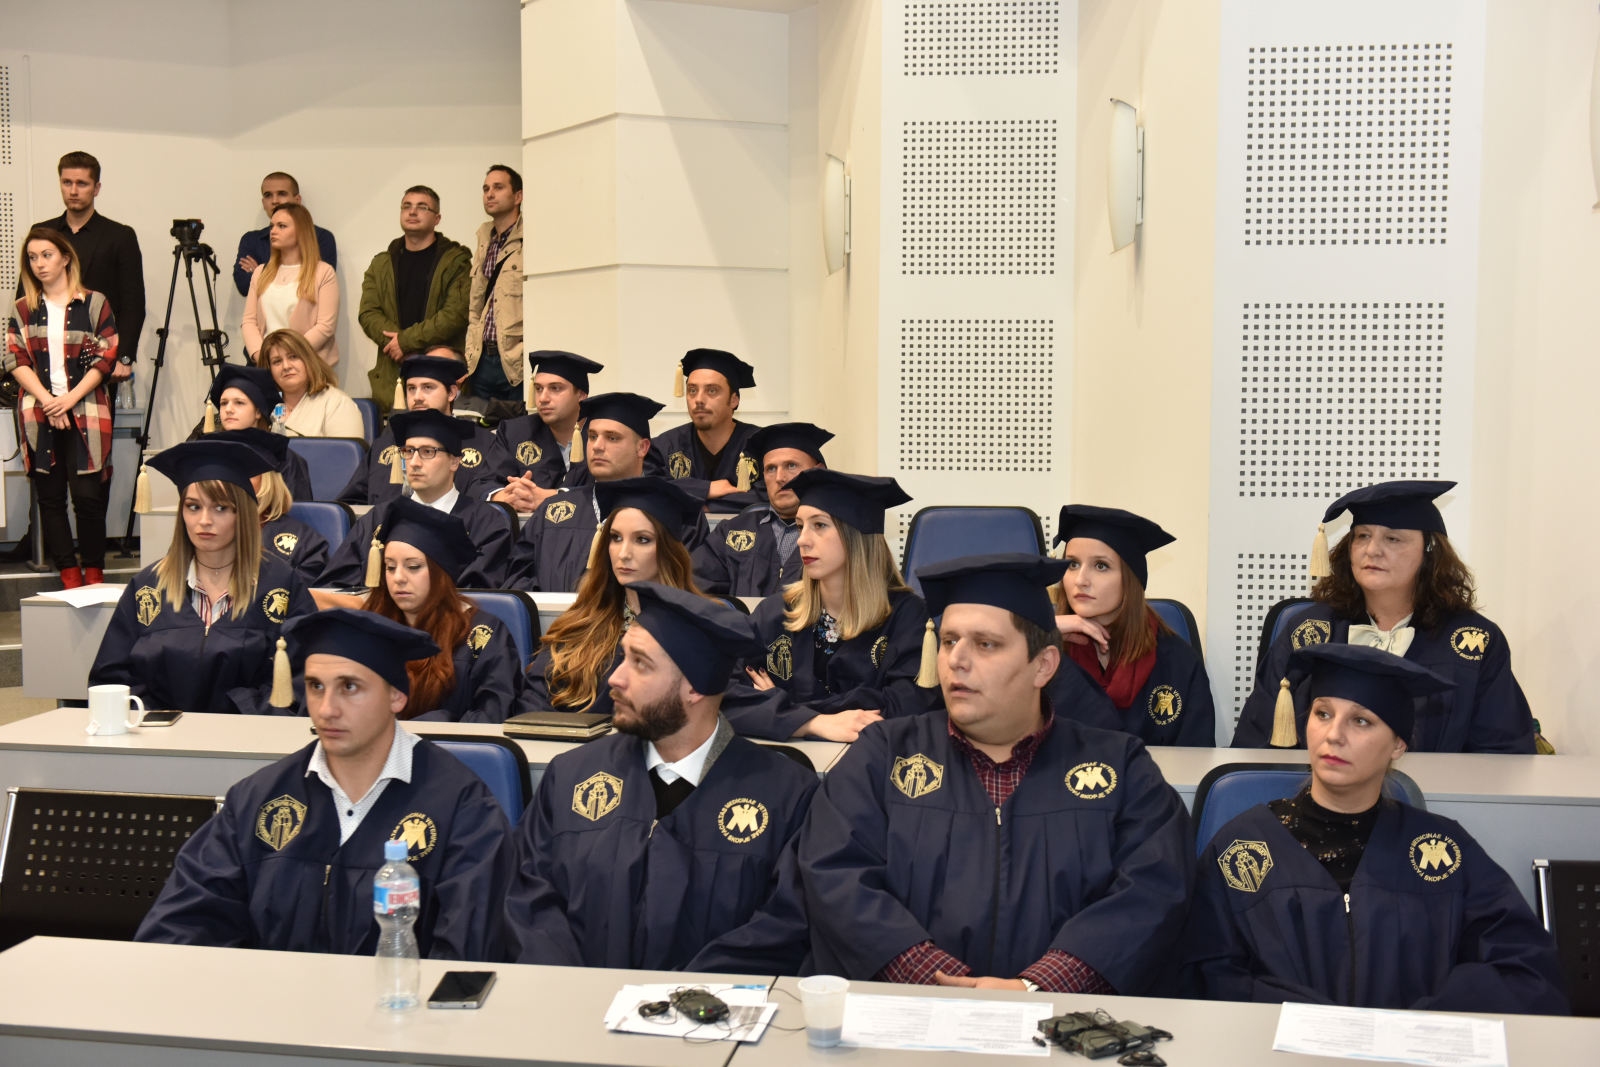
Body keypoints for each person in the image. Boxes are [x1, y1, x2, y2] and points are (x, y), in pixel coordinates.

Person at [798, 553, 1193, 994]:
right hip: (908, 1014)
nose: (956, 660)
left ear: (1044, 665)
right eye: (949, 641)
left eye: (985, 644)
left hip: (1069, 1023)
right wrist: (934, 980)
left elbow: (1152, 890)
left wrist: (1037, 987)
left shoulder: (1120, 768)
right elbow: (836, 873)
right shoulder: (882, 756)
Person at [1170, 643, 1568, 1014]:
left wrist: (1420, 1023)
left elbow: (1525, 970)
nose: (1333, 735)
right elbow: (1198, 974)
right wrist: (1305, 1019)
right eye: (1323, 714)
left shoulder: (1443, 850)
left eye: (1361, 721)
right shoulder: (1241, 847)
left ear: (1398, 745)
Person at [135, 609, 515, 959]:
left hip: (400, 1008)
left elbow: (469, 956)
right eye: (316, 686)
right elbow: (179, 930)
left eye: (349, 687)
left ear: (397, 696)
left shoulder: (460, 807)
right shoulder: (257, 799)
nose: (326, 709)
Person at [504, 582, 818, 971]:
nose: (615, 678)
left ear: (694, 688)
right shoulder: (570, 778)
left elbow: (782, 929)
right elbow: (527, 898)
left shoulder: (786, 797)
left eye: (640, 663)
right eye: (623, 657)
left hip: (711, 1007)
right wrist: (575, 988)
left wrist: (678, 999)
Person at [1233, 481, 1536, 753]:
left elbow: (1501, 757)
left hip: (1432, 794)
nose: (1372, 550)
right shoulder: (1308, 630)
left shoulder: (1473, 640)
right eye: (1363, 536)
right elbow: (1257, 745)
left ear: (1429, 552)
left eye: (1393, 539)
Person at [90, 440, 315, 714]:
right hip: (160, 734)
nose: (204, 520)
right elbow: (113, 678)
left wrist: (242, 717)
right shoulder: (148, 586)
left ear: (242, 514)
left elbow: (304, 678)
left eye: (220, 508)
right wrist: (156, 721)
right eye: (193, 507)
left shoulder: (281, 584)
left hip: (251, 734)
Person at [723, 469, 936, 742]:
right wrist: (812, 722)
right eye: (800, 526)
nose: (802, 539)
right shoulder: (779, 611)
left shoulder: (908, 617)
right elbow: (723, 693)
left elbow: (907, 707)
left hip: (868, 763)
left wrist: (779, 705)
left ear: (856, 536)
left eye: (819, 525)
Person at [311, 500, 525, 723]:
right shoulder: (369, 629)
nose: (398, 578)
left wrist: (434, 724)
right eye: (390, 567)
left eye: (413, 567)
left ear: (441, 574)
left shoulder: (483, 632)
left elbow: (492, 715)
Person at [524, 478, 707, 718]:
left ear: (668, 550)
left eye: (642, 539)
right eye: (615, 538)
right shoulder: (580, 625)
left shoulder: (702, 630)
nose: (623, 553)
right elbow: (534, 705)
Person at [507, 392, 710, 592]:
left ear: (642, 448)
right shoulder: (552, 511)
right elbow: (518, 579)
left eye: (612, 438)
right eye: (592, 437)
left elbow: (689, 589)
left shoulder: (675, 514)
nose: (597, 446)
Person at [6, 228, 118, 587]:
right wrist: (48, 401)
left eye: (47, 255)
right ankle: (68, 574)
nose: (39, 264)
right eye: (32, 257)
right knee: (50, 499)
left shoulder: (95, 303)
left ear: (66, 258)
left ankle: (94, 573)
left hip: (86, 410)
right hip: (39, 412)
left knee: (88, 498)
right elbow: (16, 359)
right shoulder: (23, 308)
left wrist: (68, 400)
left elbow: (106, 357)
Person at [1051, 505, 1215, 746]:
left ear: (1130, 578)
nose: (1080, 580)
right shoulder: (1043, 652)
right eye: (1073, 564)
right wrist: (1037, 638)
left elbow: (1197, 758)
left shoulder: (1177, 662)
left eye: (1101, 566)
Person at [319, 409, 512, 590]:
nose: (414, 463)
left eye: (428, 452)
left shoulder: (487, 522)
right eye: (409, 451)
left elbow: (480, 595)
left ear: (454, 461)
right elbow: (333, 587)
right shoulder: (377, 519)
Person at [334, 349, 522, 508]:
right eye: (411, 388)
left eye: (428, 387)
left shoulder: (485, 444)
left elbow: (498, 499)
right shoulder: (383, 446)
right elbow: (352, 504)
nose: (417, 397)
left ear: (451, 393)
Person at [29, 152, 143, 393]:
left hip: (99, 357)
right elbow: (28, 295)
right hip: (45, 355)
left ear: (96, 188)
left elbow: (133, 303)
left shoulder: (120, 236)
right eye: (67, 182)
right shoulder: (42, 232)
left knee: (95, 420)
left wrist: (124, 357)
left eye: (82, 184)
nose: (73, 191)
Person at [358, 186, 471, 417]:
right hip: (393, 377)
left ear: (437, 218)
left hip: (441, 375)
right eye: (407, 206)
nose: (412, 211)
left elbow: (455, 315)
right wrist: (398, 347)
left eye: (422, 207)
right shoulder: (380, 264)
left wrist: (406, 342)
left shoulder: (457, 262)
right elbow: (368, 313)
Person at [693, 422, 830, 597]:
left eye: (791, 466)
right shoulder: (731, 532)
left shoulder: (835, 536)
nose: (780, 477)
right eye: (771, 468)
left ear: (818, 473)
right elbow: (697, 587)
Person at [210, 428, 329, 585]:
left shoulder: (303, 543)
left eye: (246, 472)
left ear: (267, 481)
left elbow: (304, 596)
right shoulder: (201, 530)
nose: (235, 481)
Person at [653, 348, 762, 512]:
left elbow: (773, 494)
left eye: (712, 391)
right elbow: (649, 488)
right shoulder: (665, 447)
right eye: (692, 390)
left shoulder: (761, 445)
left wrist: (708, 505)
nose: (698, 400)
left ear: (734, 400)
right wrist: (707, 489)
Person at [495, 350, 601, 505]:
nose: (543, 398)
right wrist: (507, 497)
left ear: (581, 395)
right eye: (538, 389)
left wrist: (550, 497)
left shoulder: (604, 436)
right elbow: (483, 483)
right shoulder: (513, 433)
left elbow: (615, 490)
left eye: (555, 388)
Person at [242, 203, 340, 366]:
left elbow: (325, 326)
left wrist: (287, 357)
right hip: (266, 365)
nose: (273, 231)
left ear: (301, 231)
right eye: (272, 226)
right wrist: (263, 358)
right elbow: (249, 321)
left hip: (309, 366)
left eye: (282, 226)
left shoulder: (323, 272)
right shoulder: (260, 272)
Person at [202, 364, 311, 498]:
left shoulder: (283, 459)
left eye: (239, 403)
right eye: (224, 403)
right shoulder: (212, 454)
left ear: (258, 411)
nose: (228, 409)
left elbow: (295, 508)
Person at [463, 165, 523, 404]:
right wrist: (471, 349)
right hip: (481, 360)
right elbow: (475, 306)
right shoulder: (484, 240)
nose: (490, 194)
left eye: (498, 187)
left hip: (515, 360)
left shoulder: (531, 240)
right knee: (479, 425)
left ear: (518, 196)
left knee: (519, 424)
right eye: (486, 188)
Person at [232, 172, 337, 298]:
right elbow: (244, 286)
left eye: (282, 194)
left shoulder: (320, 237)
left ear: (297, 200)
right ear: (263, 203)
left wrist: (258, 273)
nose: (275, 201)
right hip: (263, 311)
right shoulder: (252, 240)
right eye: (268, 195)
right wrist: (299, 274)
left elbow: (317, 286)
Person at [254, 328, 364, 440]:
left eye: (293, 357)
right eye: (277, 361)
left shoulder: (338, 404)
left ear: (308, 360)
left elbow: (344, 451)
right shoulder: (261, 407)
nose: (286, 366)